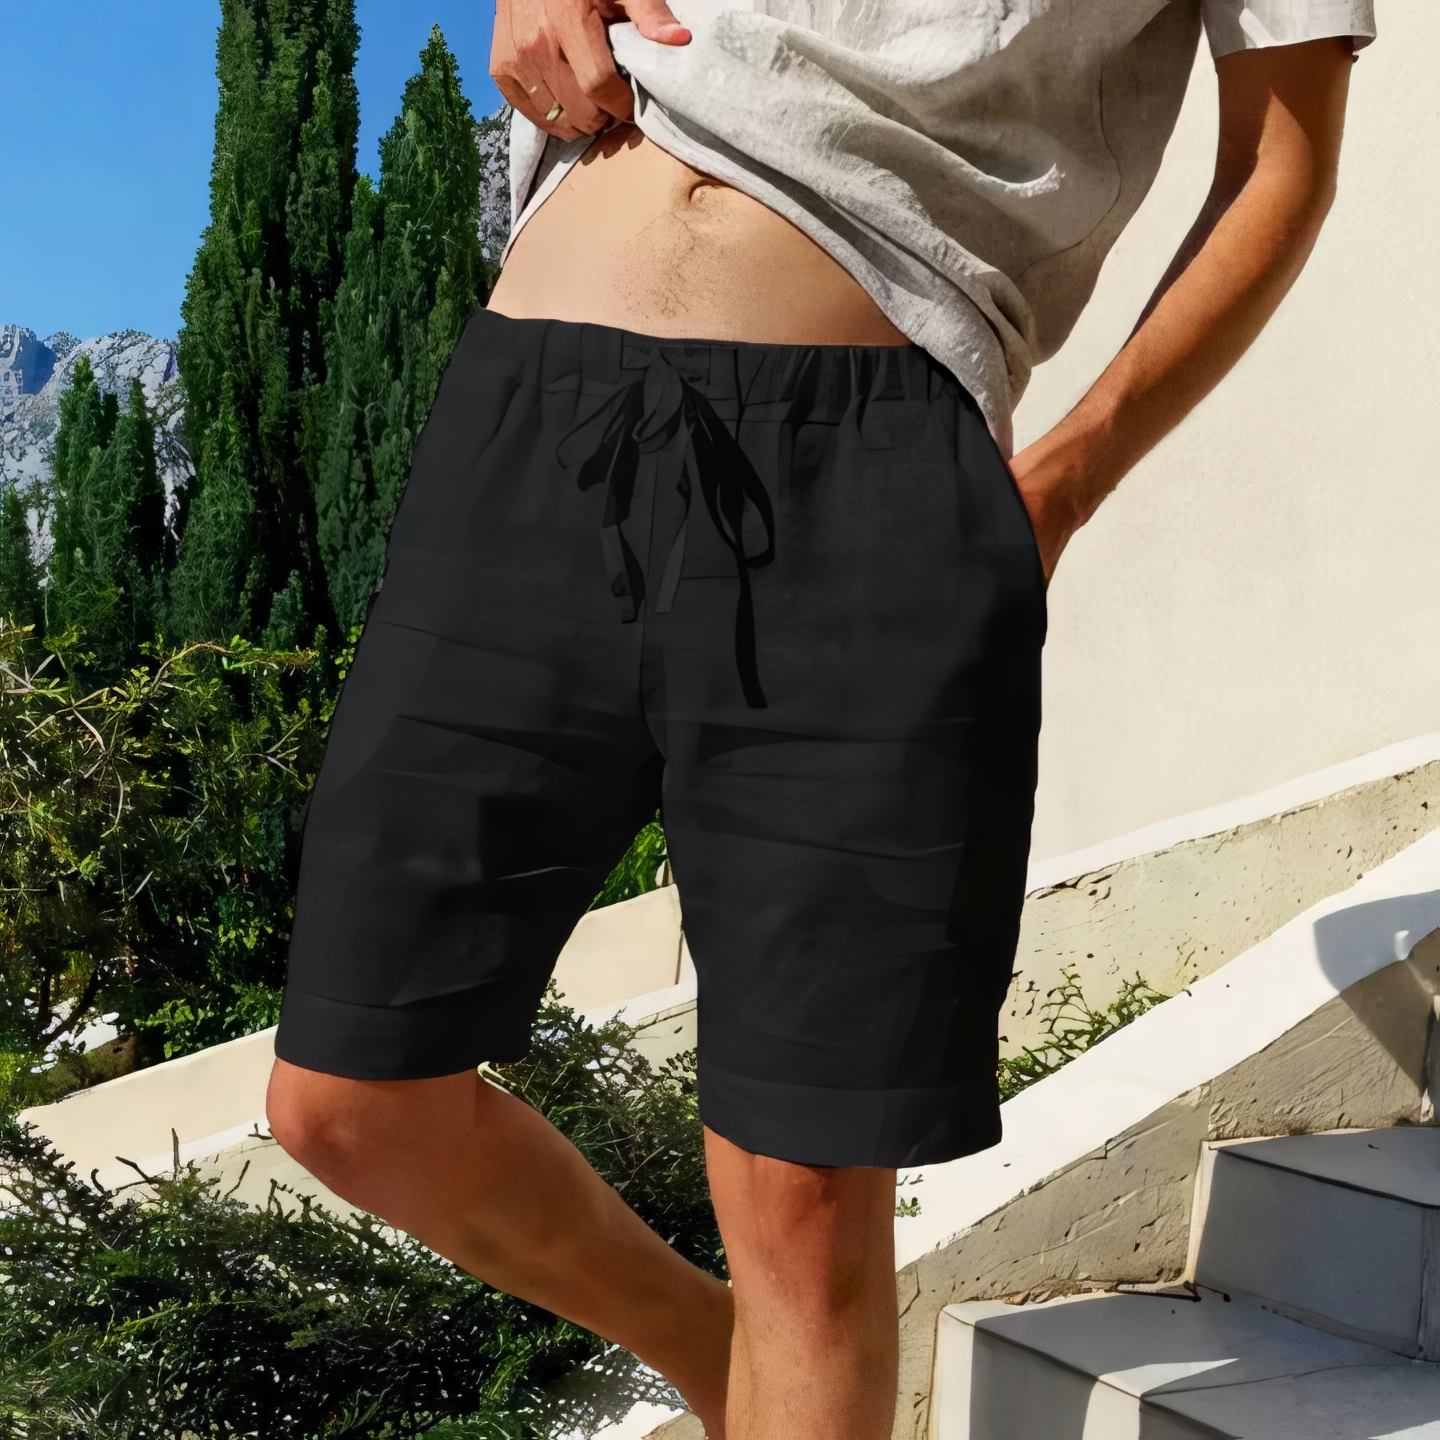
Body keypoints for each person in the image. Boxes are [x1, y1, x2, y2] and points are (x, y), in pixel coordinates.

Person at [267, 3, 1373, 1436]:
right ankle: (716, 1356)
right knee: (347, 1098)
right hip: (530, 408)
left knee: (802, 1191)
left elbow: (1282, 161)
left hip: (875, 451)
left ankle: (776, 1373)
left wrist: (1060, 485)